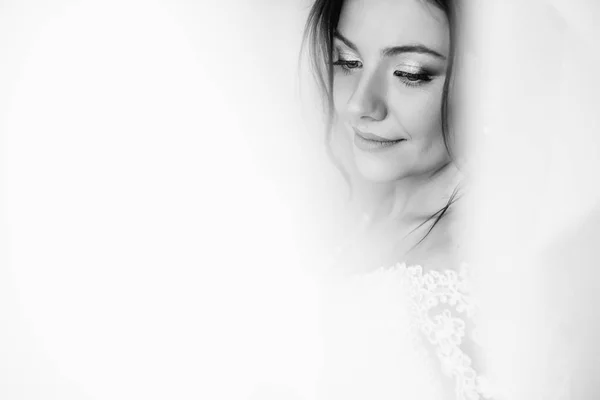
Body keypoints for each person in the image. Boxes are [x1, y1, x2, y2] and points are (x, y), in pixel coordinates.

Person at [302, 0, 488, 399]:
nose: (359, 105)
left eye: (410, 73)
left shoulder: (464, 278)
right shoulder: (359, 205)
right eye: (347, 61)